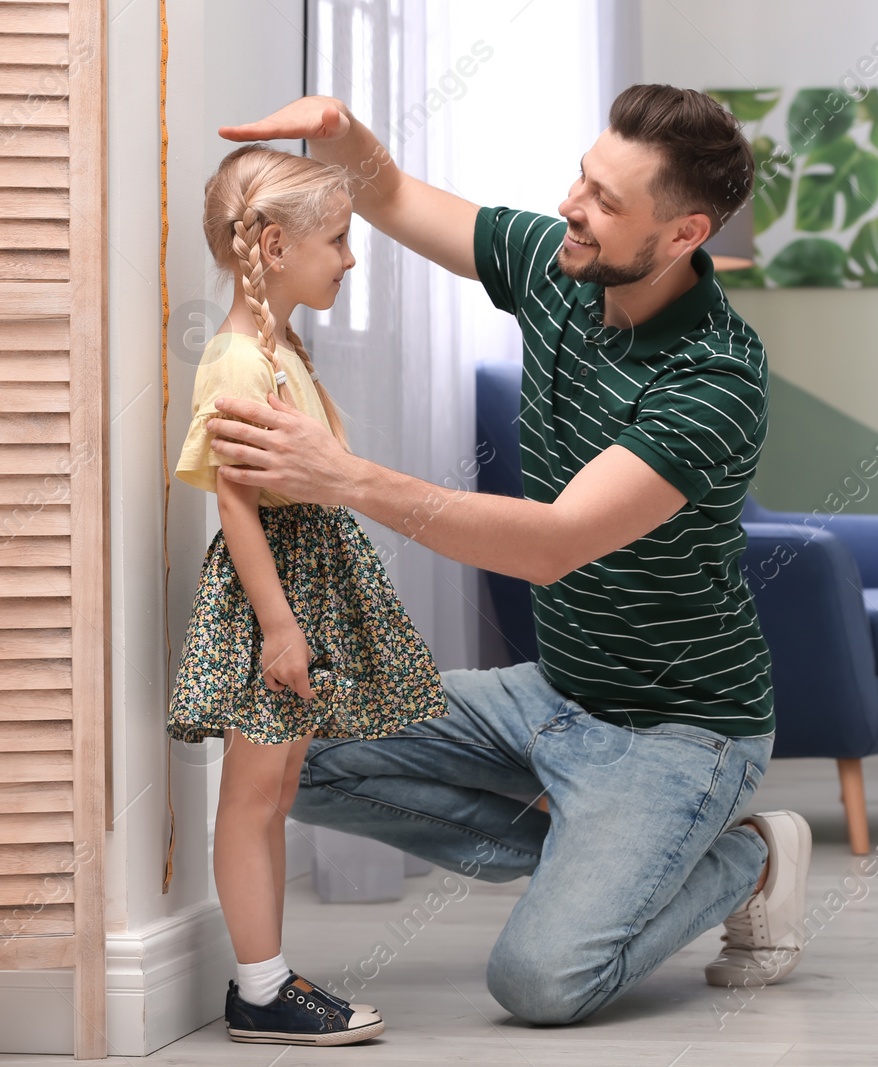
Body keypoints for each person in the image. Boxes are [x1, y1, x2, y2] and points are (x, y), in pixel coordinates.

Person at [205, 84, 813, 1027]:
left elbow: (554, 545)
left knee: (539, 984)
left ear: (686, 233)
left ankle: (745, 858)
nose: (575, 204)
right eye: (584, 176)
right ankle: (602, 861)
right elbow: (395, 194)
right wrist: (342, 135)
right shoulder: (559, 262)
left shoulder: (715, 378)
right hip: (551, 694)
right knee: (294, 751)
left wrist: (345, 476)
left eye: (609, 202)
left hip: (680, 730)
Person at [170, 144, 449, 1045]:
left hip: (305, 575)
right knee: (254, 793)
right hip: (275, 594)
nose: (351, 257)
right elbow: (236, 502)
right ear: (278, 245)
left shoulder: (280, 346)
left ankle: (269, 975)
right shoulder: (238, 362)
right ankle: (258, 989)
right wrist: (279, 626)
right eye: (338, 239)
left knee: (279, 786)